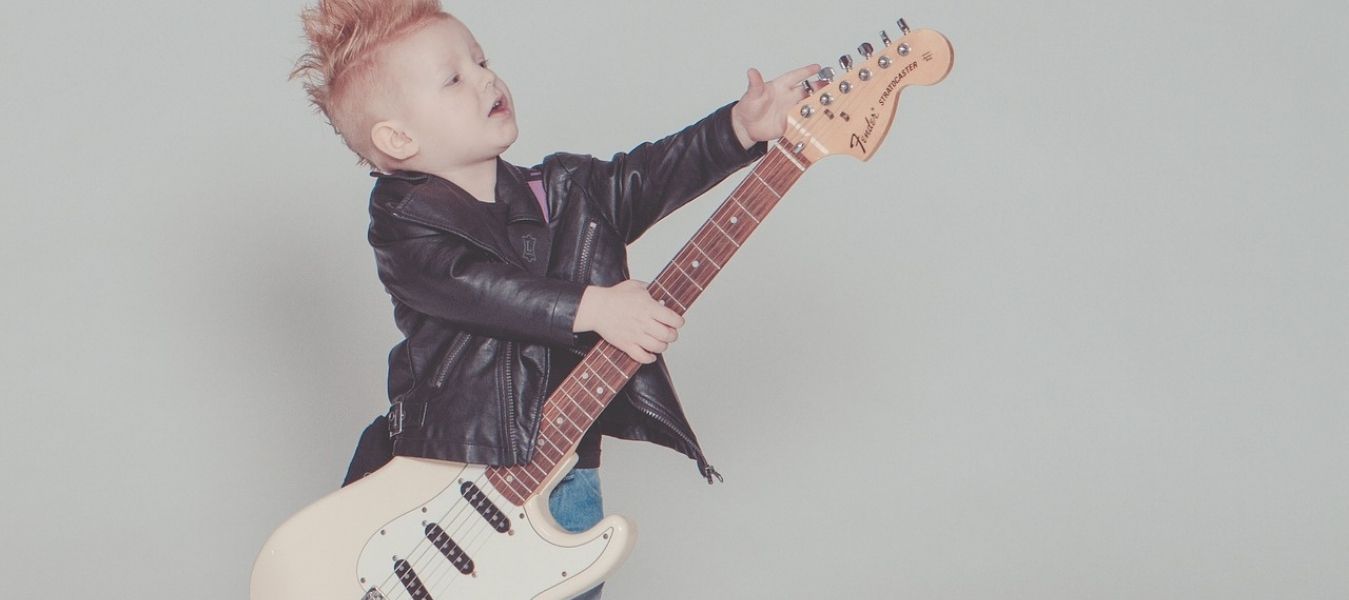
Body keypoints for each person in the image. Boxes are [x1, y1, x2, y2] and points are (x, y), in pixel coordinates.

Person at [292, 0, 815, 596]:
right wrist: (595, 308)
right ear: (397, 137)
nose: (486, 77)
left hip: (566, 480)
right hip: (444, 483)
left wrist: (739, 129)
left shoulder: (565, 189)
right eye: (454, 78)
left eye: (481, 59)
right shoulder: (403, 219)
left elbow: (644, 176)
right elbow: (476, 286)